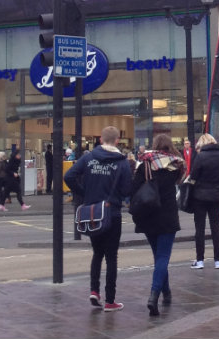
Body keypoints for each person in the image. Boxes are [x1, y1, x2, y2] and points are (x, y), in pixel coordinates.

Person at [64, 125, 133, 312]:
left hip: (93, 213)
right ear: (117, 140)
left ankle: (94, 290)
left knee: (97, 254)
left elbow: (69, 176)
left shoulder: (88, 158)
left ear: (101, 140)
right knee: (112, 257)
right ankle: (110, 301)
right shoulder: (122, 162)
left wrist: (84, 193)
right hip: (112, 214)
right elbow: (127, 190)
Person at [131, 132, 184, 316]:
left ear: (154, 144)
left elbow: (133, 188)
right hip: (168, 216)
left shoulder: (144, 164)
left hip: (148, 216)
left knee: (159, 257)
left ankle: (166, 293)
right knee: (162, 257)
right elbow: (180, 180)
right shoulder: (175, 165)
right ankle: (154, 296)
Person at [189, 132, 219, 269]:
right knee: (215, 227)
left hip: (200, 196)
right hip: (216, 195)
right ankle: (218, 260)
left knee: (199, 229)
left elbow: (193, 176)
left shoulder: (201, 157)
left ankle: (200, 260)